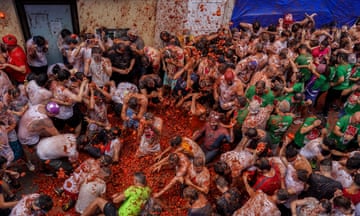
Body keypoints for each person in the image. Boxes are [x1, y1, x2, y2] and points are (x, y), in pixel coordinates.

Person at [81, 172, 151, 216]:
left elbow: (115, 201)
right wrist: (120, 194)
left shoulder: (133, 189)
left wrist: (116, 196)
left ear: (136, 181)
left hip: (119, 214)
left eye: (133, 180)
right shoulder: (148, 191)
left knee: (98, 200)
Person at [17, 102, 60, 171]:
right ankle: (40, 166)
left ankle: (29, 162)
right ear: (50, 113)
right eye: (54, 115)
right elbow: (56, 133)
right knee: (38, 150)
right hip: (27, 136)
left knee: (25, 148)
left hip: (22, 128)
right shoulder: (44, 120)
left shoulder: (39, 106)